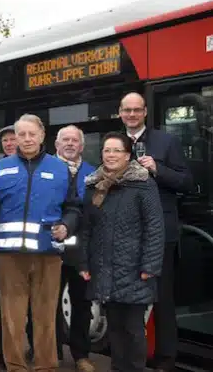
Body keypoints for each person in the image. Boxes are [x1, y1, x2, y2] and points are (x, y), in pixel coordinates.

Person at [0, 114, 81, 372]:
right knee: (12, 319)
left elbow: (73, 207)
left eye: (32, 134)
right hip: (9, 256)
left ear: (42, 136)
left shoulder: (61, 168)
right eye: (21, 134)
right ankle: (16, 367)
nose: (27, 139)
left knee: (45, 317)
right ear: (14, 138)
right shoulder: (0, 168)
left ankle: (46, 367)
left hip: (47, 253)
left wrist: (67, 225)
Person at [119, 92, 193, 372]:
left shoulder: (166, 141)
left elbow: (186, 181)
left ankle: (165, 361)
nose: (132, 115)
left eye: (137, 110)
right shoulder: (115, 143)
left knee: (162, 299)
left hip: (160, 234)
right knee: (126, 299)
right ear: (120, 113)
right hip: (126, 234)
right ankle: (129, 358)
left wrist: (158, 169)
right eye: (127, 110)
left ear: (145, 112)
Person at [79, 132, 165, 372]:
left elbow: (155, 228)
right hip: (104, 268)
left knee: (134, 329)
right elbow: (87, 229)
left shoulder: (143, 184)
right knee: (114, 328)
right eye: (107, 150)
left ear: (128, 155)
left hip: (136, 270)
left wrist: (150, 267)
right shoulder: (94, 186)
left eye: (117, 150)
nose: (111, 155)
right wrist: (84, 264)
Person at [54, 125, 96, 372]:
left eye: (75, 140)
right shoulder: (45, 169)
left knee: (82, 305)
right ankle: (52, 351)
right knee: (48, 304)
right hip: (51, 250)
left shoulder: (94, 173)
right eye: (65, 140)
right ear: (56, 144)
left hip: (82, 253)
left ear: (82, 146)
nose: (70, 144)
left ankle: (81, 355)